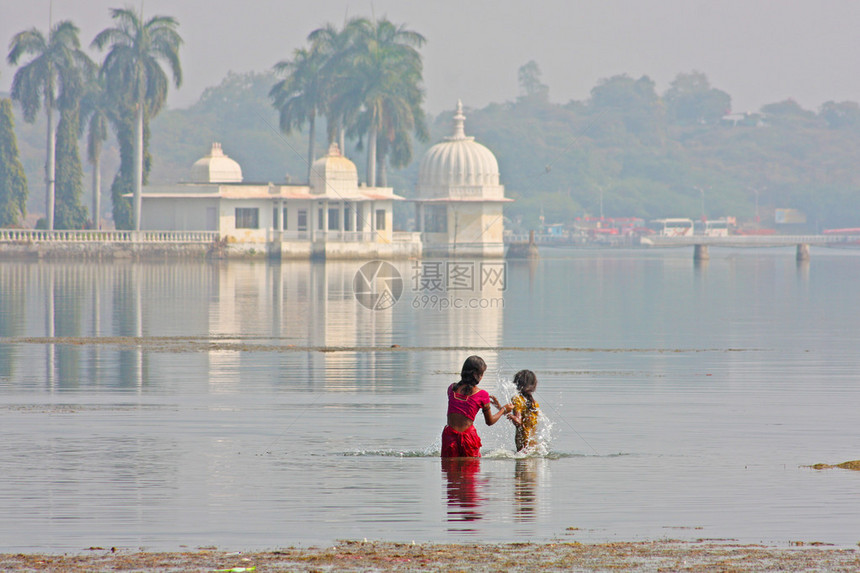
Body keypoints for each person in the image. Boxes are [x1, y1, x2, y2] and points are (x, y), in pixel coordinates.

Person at [441, 355, 513, 458]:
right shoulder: (482, 395)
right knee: (470, 471)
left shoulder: (451, 388)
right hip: (468, 439)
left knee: (450, 471)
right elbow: (490, 421)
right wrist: (503, 409)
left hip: (449, 438)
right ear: (476, 375)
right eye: (482, 374)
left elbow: (461, 404)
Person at [508, 369, 540, 452]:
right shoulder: (534, 404)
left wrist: (513, 418)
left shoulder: (517, 399)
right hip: (534, 447)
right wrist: (499, 406)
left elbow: (518, 421)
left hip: (522, 449)